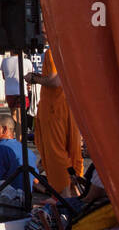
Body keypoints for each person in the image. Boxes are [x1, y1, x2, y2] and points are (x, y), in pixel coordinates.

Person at [26, 46, 83, 196]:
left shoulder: (53, 51)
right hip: (71, 105)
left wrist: (33, 78)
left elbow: (55, 81)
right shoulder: (73, 49)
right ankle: (76, 193)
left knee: (56, 153)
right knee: (73, 153)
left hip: (55, 108)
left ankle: (64, 196)